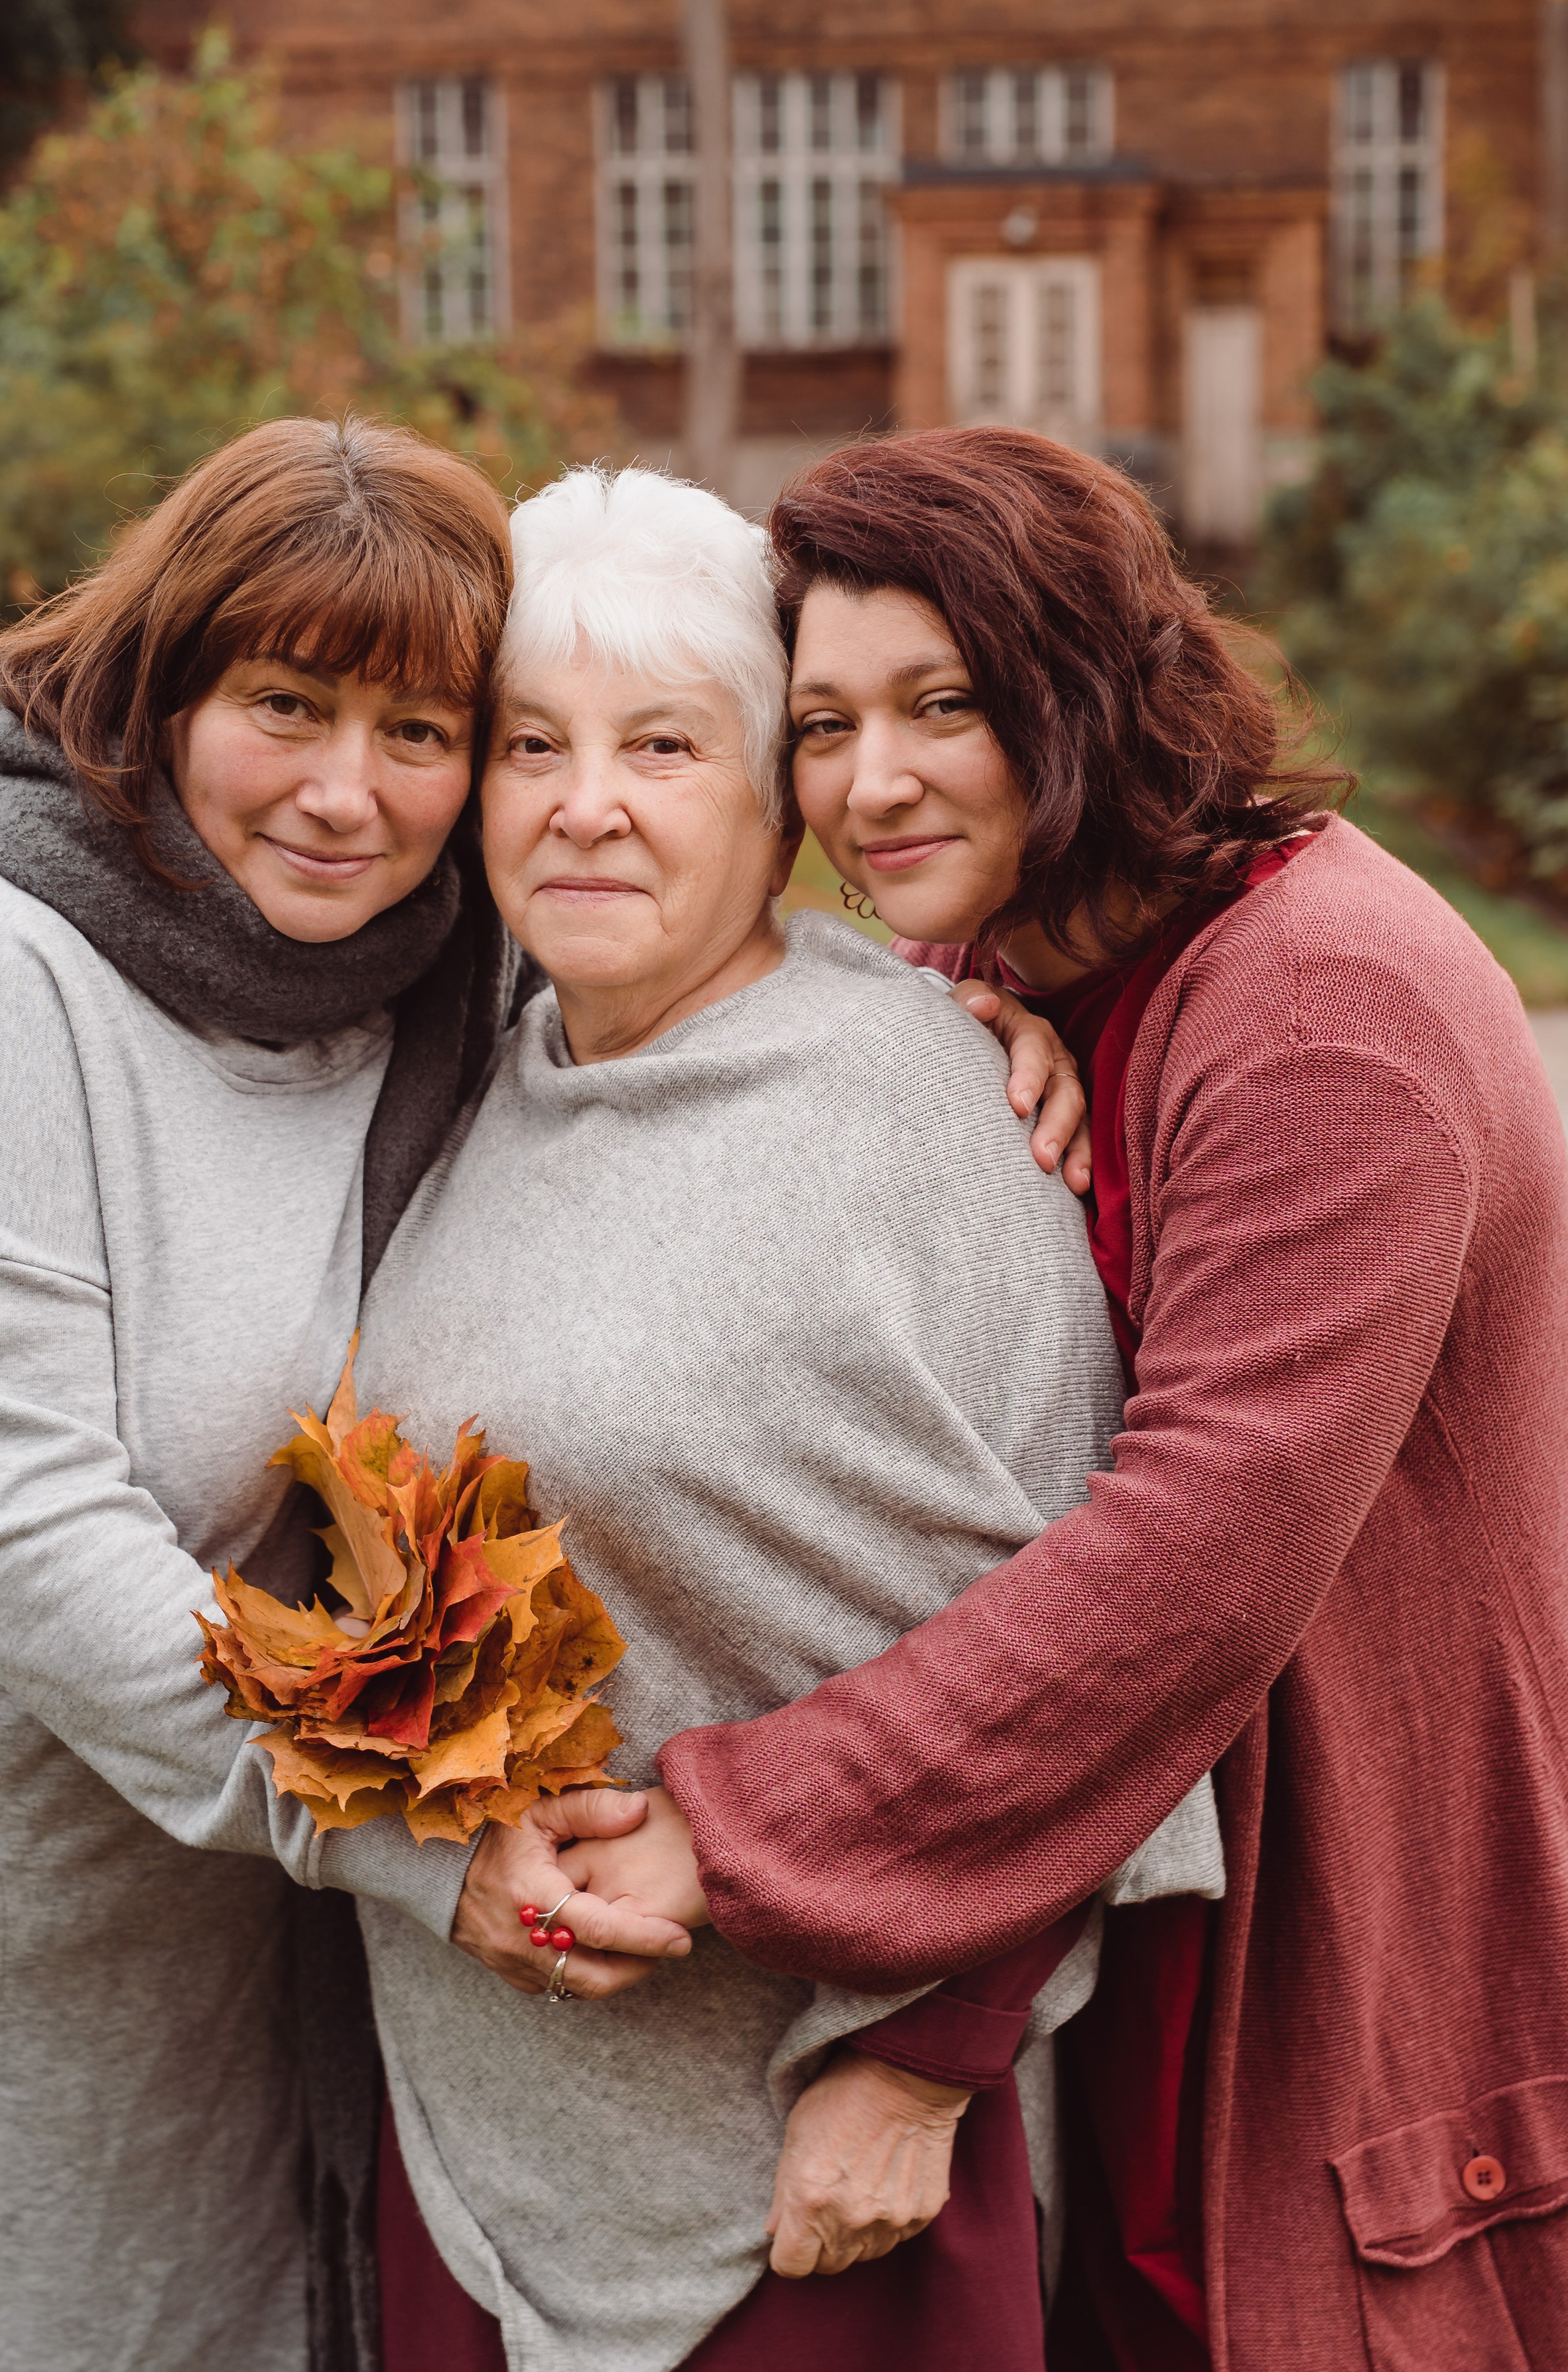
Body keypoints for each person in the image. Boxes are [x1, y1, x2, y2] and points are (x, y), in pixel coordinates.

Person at [551, 428, 1568, 2369]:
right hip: (1136, 1915)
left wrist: (737, 1830)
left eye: (944, 705)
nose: (871, 781)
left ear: (1090, 690)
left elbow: (1190, 1560)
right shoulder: (1014, 954)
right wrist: (954, 1046)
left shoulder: (1327, 1008)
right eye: (826, 724)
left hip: (1349, 1965)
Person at [352, 465, 1224, 2372]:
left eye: (664, 745)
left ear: (774, 801)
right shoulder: (480, 1077)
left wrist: (929, 2060)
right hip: (481, 2128)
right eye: (530, 744)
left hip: (825, 2162)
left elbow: (1100, 1644)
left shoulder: (931, 1121)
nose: (584, 803)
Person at [0, 414, 531, 2372]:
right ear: (161, 693)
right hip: (10, 1981)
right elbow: (4, 1498)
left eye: (419, 731)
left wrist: (965, 1028)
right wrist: (408, 1830)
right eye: (285, 704)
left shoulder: (443, 979)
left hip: (285, 1976)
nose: (347, 792)